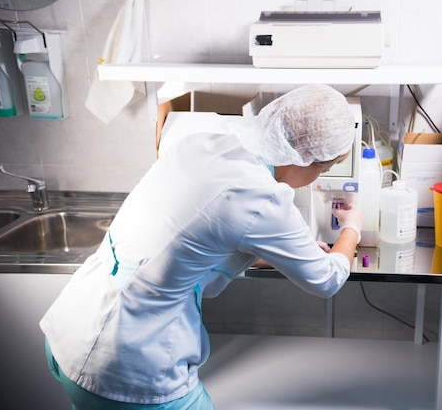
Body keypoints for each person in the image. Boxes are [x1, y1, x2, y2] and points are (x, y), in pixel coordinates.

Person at [40, 84, 364, 410]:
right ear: (305, 159)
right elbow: (327, 279)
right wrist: (352, 228)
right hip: (127, 365)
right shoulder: (263, 197)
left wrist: (272, 255)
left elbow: (185, 241)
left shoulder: (201, 145)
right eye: (324, 169)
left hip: (70, 331)